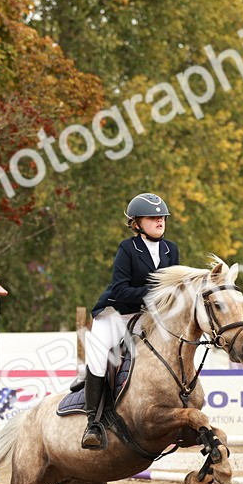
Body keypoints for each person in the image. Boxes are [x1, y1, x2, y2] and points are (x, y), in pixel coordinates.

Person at [82, 192, 180, 449]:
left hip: (147, 316)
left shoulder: (171, 249)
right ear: (137, 223)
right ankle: (93, 422)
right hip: (117, 313)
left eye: (162, 217)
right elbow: (120, 290)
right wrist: (156, 295)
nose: (160, 221)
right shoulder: (128, 248)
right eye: (153, 217)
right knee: (100, 353)